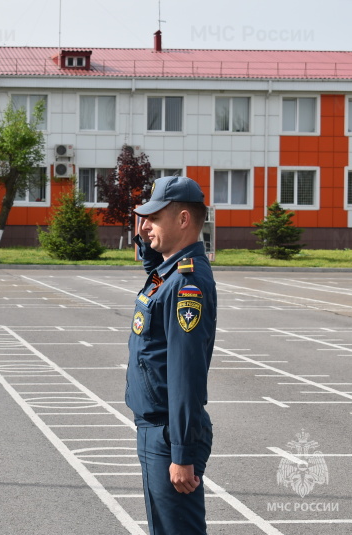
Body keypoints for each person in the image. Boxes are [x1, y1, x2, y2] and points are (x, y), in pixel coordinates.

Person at [125, 175, 217, 534]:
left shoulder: (186, 283)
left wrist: (182, 453)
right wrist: (148, 239)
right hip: (155, 427)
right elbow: (154, 276)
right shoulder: (168, 272)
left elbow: (185, 373)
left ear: (182, 220)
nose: (145, 226)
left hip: (168, 432)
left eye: (154, 218)